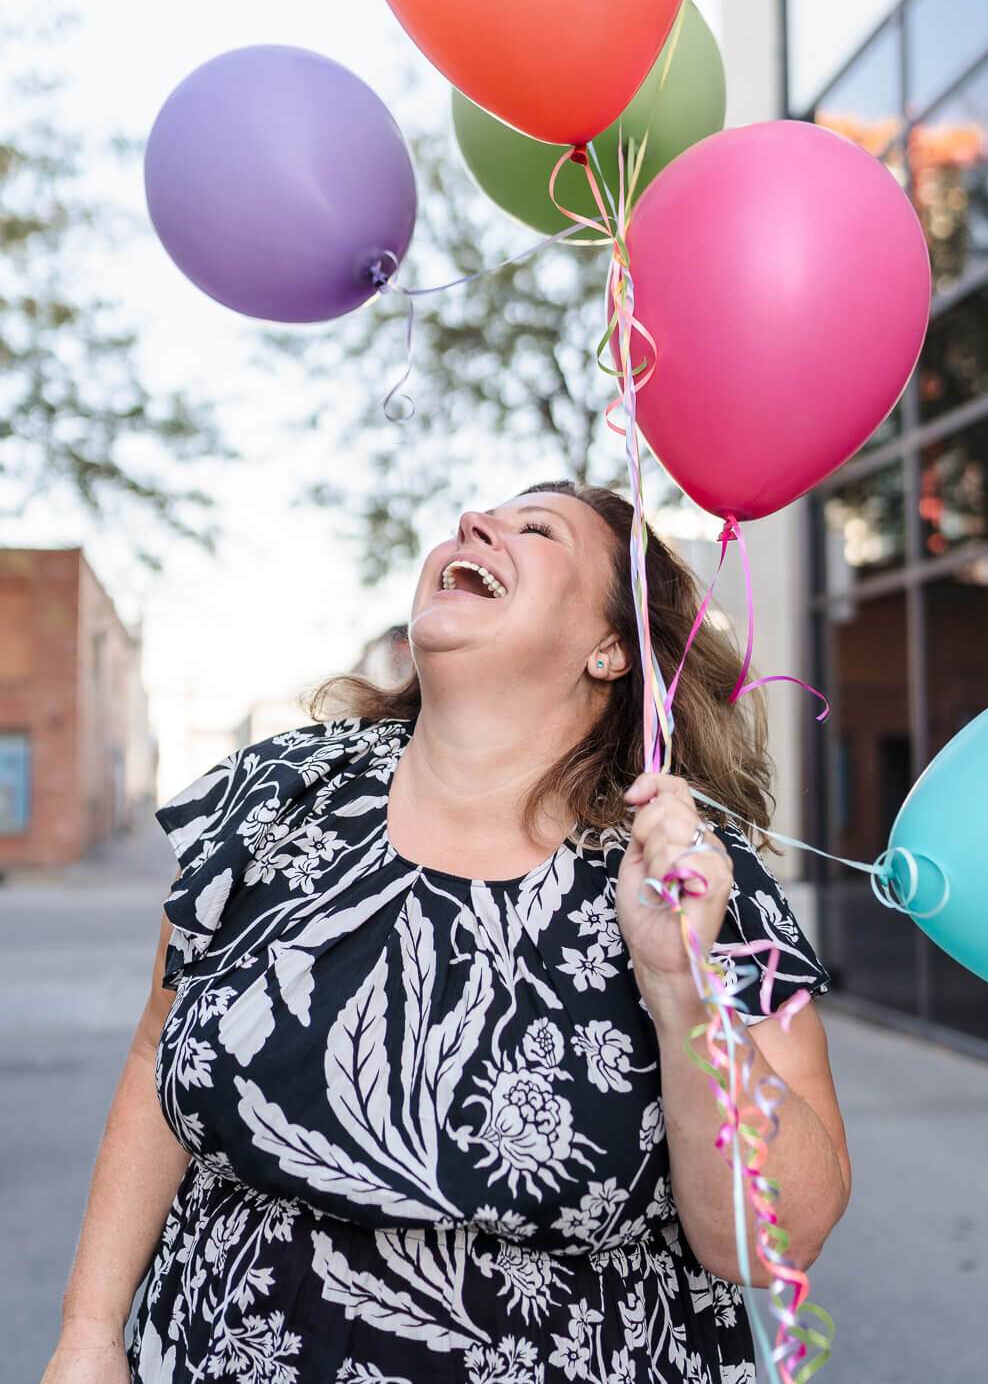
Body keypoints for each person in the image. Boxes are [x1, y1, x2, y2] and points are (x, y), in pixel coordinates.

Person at [43, 480, 850, 1384]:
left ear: (612, 649)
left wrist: (681, 994)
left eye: (535, 530)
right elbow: (160, 1052)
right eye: (479, 520)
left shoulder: (691, 872)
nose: (475, 525)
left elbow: (776, 1235)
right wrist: (88, 1330)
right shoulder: (274, 803)